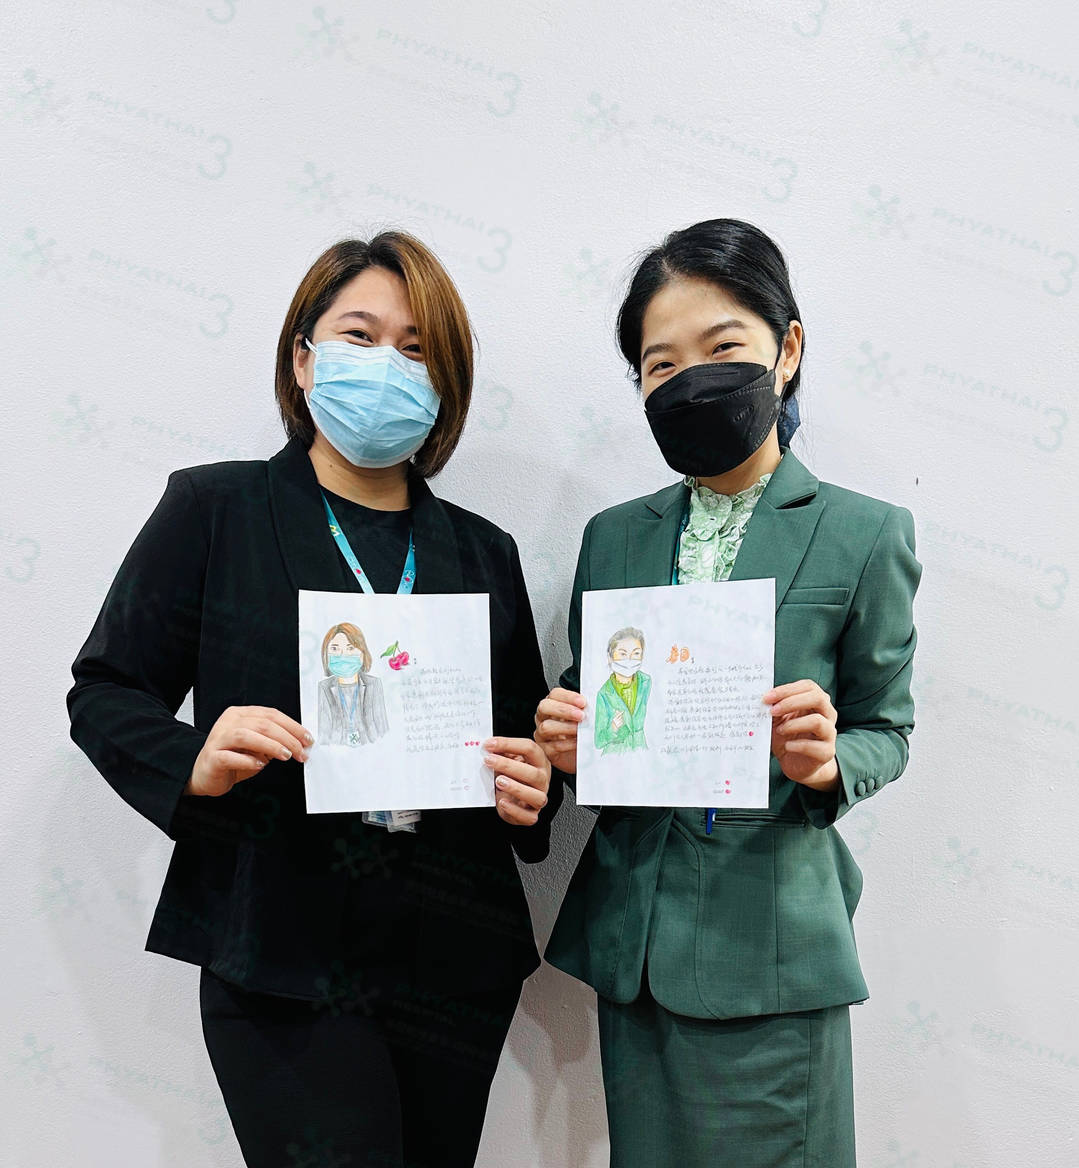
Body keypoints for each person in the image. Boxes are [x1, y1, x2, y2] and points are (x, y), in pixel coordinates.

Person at [67, 232, 562, 1168]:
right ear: (303, 359)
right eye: (359, 337)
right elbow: (104, 688)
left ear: (446, 383)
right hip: (280, 948)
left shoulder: (481, 551)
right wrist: (193, 757)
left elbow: (525, 747)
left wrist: (534, 785)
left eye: (417, 350)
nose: (389, 366)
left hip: (453, 957)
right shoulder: (215, 510)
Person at [534, 218, 921, 1168]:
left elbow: (886, 728)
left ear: (785, 351)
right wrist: (568, 741)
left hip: (771, 945)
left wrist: (828, 761)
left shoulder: (863, 532)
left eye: (722, 349)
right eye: (660, 365)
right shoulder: (613, 537)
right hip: (633, 942)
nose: (689, 381)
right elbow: (602, 706)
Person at [317, 622, 390, 746]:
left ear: (362, 652)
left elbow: (382, 728)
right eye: (334, 649)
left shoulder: (374, 684)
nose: (342, 655)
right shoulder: (324, 687)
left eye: (350, 648)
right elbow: (324, 735)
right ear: (326, 654)